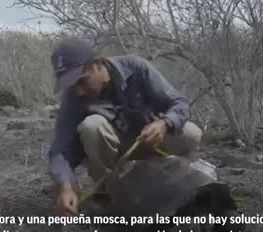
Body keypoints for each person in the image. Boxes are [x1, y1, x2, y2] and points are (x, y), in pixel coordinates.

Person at [48, 38, 203, 216]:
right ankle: (109, 194)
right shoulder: (73, 97)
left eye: (82, 81)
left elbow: (180, 104)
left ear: (98, 64)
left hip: (152, 141)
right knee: (92, 126)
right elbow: (61, 149)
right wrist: (65, 186)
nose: (79, 91)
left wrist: (163, 124)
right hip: (116, 151)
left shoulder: (135, 67)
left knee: (192, 133)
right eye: (72, 85)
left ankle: (176, 181)